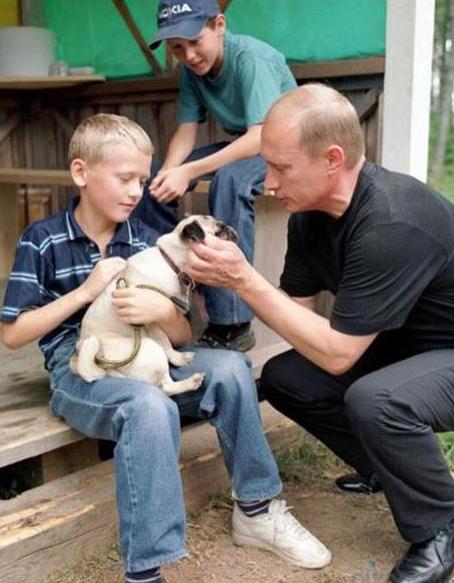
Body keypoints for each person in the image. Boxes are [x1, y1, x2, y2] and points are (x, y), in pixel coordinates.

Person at [0, 113, 331, 583]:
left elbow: (178, 337)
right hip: (81, 367)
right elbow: (13, 334)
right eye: (124, 178)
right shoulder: (43, 239)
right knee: (148, 406)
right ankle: (146, 571)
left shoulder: (144, 238)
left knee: (232, 368)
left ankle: (257, 510)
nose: (136, 191)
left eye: (142, 179)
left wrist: (161, 312)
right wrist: (85, 294)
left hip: (152, 351)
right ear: (81, 173)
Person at [186, 83, 454, 583]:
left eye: (281, 167)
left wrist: (243, 280)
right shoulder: (310, 216)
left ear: (332, 159)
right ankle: (387, 469)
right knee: (286, 376)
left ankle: (446, 526)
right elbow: (295, 316)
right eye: (266, 165)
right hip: (401, 347)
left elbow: (337, 354)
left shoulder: (391, 221)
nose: (269, 182)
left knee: (376, 400)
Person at [132, 0, 297, 352]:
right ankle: (159, 291)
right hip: (246, 143)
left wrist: (190, 170)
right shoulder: (191, 71)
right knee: (155, 184)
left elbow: (260, 137)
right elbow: (186, 130)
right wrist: (171, 172)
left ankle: (231, 323)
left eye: (195, 42)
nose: (189, 55)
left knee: (230, 181)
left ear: (219, 25)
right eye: (178, 48)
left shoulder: (251, 59)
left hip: (284, 149)